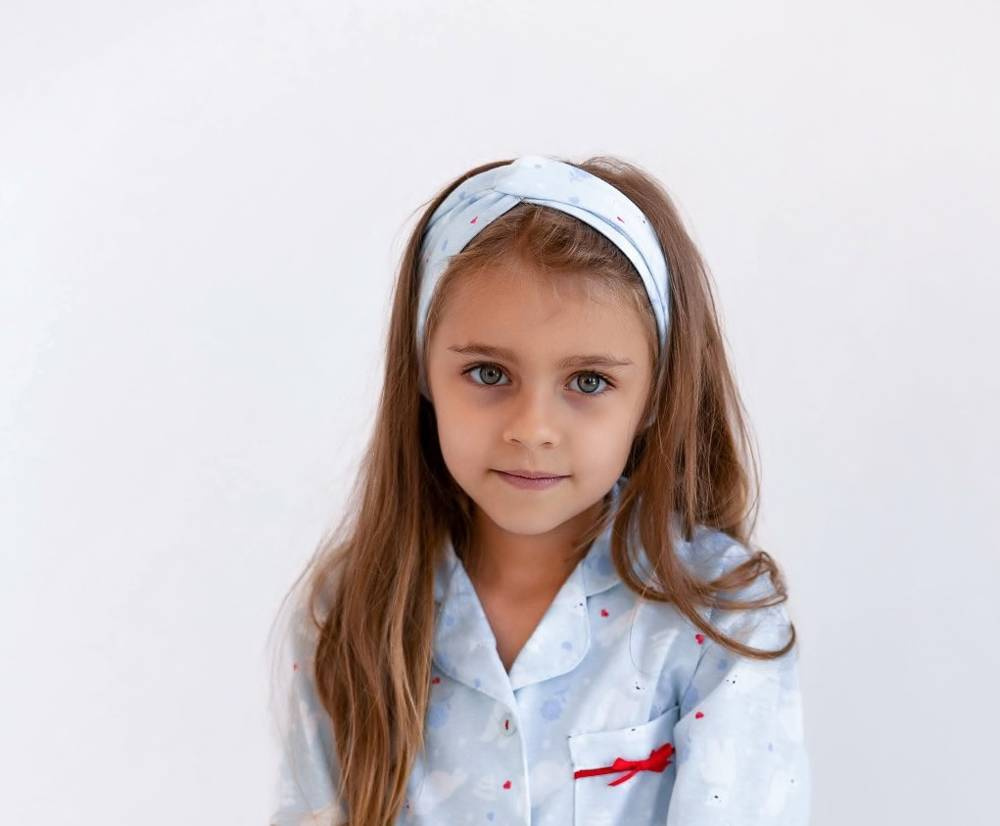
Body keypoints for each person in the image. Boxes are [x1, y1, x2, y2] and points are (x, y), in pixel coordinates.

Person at [266, 154, 812, 825]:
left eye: (588, 382)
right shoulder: (346, 613)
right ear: (423, 371)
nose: (532, 429)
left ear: (654, 398)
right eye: (488, 373)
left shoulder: (719, 619)